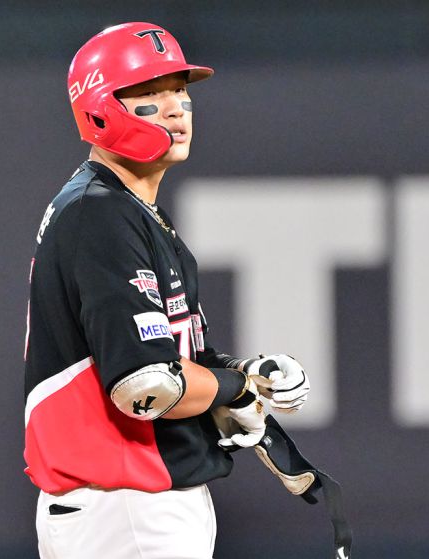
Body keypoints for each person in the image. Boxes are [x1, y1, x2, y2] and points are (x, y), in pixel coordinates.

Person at [23, 22, 310, 559]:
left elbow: (170, 358)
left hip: (128, 506)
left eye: (181, 91)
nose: (177, 109)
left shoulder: (124, 207)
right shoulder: (100, 213)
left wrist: (244, 373)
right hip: (127, 507)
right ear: (100, 110)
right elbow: (145, 385)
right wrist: (234, 388)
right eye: (150, 96)